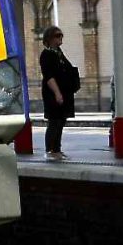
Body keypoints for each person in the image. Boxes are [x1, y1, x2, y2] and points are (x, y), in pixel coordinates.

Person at [40, 25, 78, 160]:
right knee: (54, 121)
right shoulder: (46, 55)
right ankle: (50, 149)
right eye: (57, 36)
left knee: (61, 120)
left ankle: (57, 148)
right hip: (53, 93)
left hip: (65, 92)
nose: (60, 38)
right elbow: (48, 76)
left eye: (61, 35)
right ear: (49, 38)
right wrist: (57, 93)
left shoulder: (59, 53)